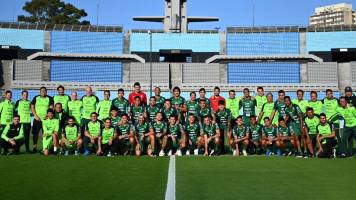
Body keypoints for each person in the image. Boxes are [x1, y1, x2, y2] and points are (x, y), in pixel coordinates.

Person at [31, 87, 53, 153]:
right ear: (39, 92)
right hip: (37, 119)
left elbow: (51, 107)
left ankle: (45, 148)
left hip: (46, 120)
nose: (43, 92)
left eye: (44, 91)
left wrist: (47, 116)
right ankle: (34, 147)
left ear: (46, 92)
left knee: (46, 134)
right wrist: (35, 115)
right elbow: (32, 107)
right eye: (41, 91)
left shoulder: (49, 98)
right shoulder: (36, 97)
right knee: (35, 134)